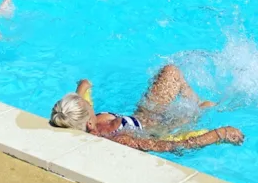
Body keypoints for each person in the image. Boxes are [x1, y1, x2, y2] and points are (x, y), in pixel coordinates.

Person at [49, 65, 244, 152]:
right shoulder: (122, 139)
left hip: (146, 113)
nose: (87, 102)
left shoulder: (82, 122)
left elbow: (85, 96)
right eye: (84, 104)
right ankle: (206, 106)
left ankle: (197, 100)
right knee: (207, 107)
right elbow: (172, 146)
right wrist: (219, 134)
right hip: (164, 127)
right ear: (89, 123)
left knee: (170, 71)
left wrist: (82, 85)